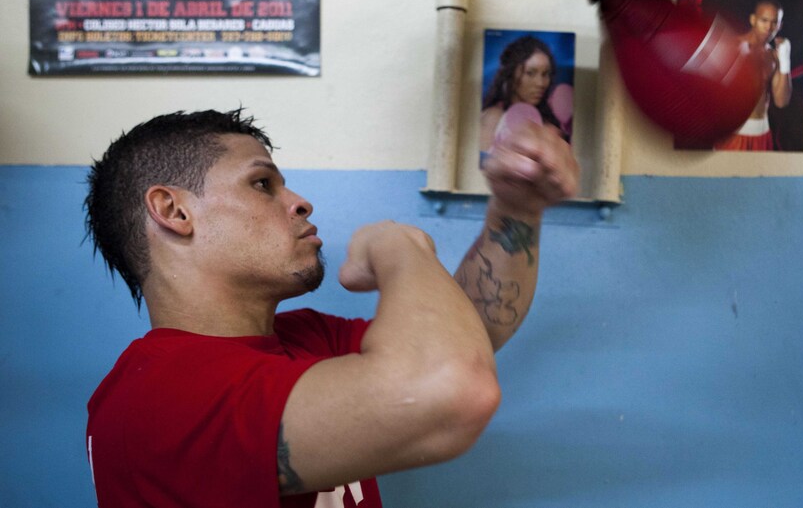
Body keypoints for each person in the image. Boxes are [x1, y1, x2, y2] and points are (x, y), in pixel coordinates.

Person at [84, 108, 579, 508]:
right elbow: (452, 389)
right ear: (174, 212)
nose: (301, 203)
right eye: (262, 184)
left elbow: (466, 334)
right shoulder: (159, 399)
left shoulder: (305, 338)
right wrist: (398, 244)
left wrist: (516, 210)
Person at [479, 36, 571, 166]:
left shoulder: (549, 122)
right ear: (511, 74)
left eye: (545, 74)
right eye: (530, 73)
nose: (541, 83)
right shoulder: (493, 117)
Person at [714, 0, 792, 152]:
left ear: (780, 25)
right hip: (733, 135)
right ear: (753, 20)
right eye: (764, 20)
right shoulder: (731, 47)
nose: (769, 27)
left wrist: (785, 62)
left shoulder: (774, 55)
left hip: (763, 135)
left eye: (774, 22)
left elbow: (781, 101)